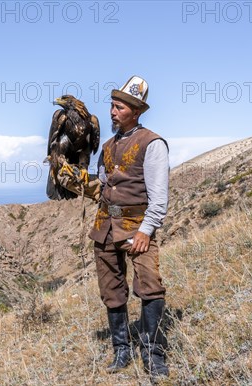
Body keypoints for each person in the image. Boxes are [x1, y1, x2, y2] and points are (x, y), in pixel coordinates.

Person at [88, 76, 170, 379]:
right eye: (111, 105)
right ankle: (121, 350)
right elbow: (102, 187)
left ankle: (153, 353)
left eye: (118, 107)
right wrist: (75, 181)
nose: (111, 111)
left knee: (149, 286)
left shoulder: (153, 144)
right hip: (104, 226)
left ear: (135, 111)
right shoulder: (108, 146)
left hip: (137, 226)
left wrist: (145, 231)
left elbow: (159, 199)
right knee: (111, 290)